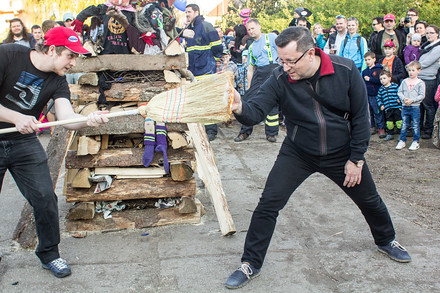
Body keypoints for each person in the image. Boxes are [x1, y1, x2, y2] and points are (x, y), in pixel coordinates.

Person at [224, 27, 411, 290]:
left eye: (291, 60)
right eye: (281, 60)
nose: (285, 66)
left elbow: (361, 118)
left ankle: (386, 240)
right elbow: (254, 112)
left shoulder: (345, 70)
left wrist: (356, 159)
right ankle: (250, 263)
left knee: (370, 200)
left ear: (311, 53)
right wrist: (239, 106)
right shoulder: (280, 77)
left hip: (342, 152)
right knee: (268, 204)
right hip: (298, 152)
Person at [0, 26, 109, 278]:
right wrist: (17, 117)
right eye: (70, 56)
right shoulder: (8, 55)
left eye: (76, 57)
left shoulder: (58, 80)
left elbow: (67, 118)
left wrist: (88, 120)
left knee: (45, 198)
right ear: (51, 49)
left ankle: (50, 254)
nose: (74, 62)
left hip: (22, 142)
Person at [233, 18, 279, 143]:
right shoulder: (251, 46)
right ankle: (244, 132)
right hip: (259, 73)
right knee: (248, 100)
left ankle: (271, 133)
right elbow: (250, 68)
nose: (251, 31)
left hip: (274, 70)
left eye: (253, 28)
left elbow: (282, 51)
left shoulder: (271, 37)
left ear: (259, 27)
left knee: (273, 104)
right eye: (249, 29)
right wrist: (249, 85)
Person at [184, 3, 223, 141]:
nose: (187, 14)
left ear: (196, 12)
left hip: (206, 70)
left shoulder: (207, 26)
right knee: (198, 100)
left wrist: (213, 61)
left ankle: (211, 130)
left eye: (189, 12)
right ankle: (201, 128)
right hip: (194, 71)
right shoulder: (188, 29)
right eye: (186, 12)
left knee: (208, 100)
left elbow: (218, 48)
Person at [395, 61, 425, 150]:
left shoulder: (420, 83)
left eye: (413, 70)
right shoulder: (404, 81)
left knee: (415, 124)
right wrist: (404, 99)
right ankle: (402, 140)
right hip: (405, 106)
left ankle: (415, 141)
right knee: (404, 124)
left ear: (418, 71)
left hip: (415, 107)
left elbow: (422, 95)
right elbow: (399, 92)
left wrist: (412, 100)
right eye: (409, 70)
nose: (411, 72)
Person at [418, 25, 440, 139]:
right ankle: (420, 128)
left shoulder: (437, 48)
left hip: (429, 79)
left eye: (431, 33)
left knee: (428, 106)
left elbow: (426, 62)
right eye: (427, 33)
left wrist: (413, 66)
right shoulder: (426, 46)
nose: (429, 35)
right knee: (419, 105)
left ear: (437, 34)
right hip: (420, 77)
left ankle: (428, 130)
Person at [362, 51, 385, 137]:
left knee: (377, 111)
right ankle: (372, 126)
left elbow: (381, 81)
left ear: (374, 59)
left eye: (369, 59)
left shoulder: (379, 70)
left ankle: (381, 127)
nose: (367, 61)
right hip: (367, 94)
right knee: (369, 112)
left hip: (376, 94)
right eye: (366, 60)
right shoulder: (364, 72)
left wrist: (371, 79)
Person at [377, 70, 402, 141]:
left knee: (399, 121)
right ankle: (390, 134)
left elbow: (400, 93)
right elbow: (378, 98)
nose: (382, 80)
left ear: (389, 78)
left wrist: (399, 99)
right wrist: (381, 105)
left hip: (396, 107)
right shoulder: (381, 89)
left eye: (384, 78)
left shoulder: (395, 86)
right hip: (388, 109)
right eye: (381, 79)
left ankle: (401, 134)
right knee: (389, 123)